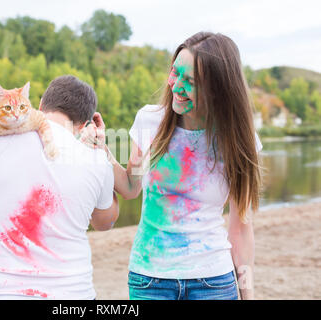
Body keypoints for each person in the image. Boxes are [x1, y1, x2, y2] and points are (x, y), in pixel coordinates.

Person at [92, 32, 262, 300]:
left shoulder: (239, 140)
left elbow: (241, 229)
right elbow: (130, 186)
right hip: (150, 280)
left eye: (190, 81)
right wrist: (102, 148)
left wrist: (248, 295)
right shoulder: (150, 121)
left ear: (217, 90)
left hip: (214, 282)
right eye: (175, 73)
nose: (175, 85)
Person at [0, 75, 119, 300]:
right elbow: (104, 222)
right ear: (84, 125)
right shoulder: (95, 160)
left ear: (39, 106)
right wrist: (106, 172)